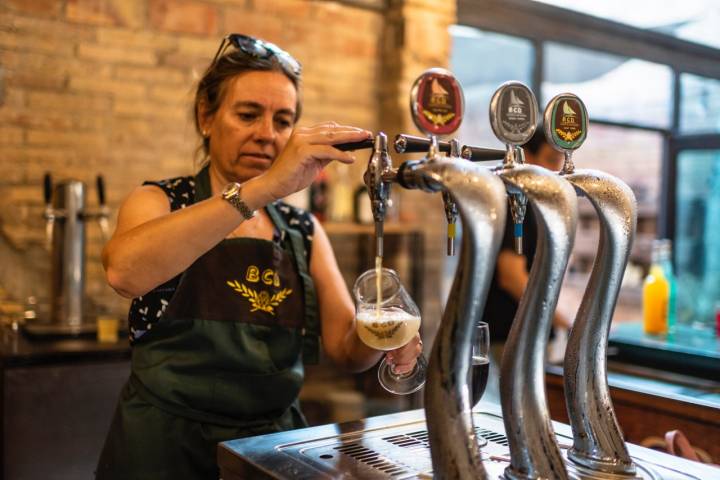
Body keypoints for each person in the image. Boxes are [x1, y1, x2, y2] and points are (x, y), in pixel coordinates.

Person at [96, 33, 422, 479]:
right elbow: (124, 271)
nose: (267, 135)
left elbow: (346, 350)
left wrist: (383, 333)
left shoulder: (302, 230)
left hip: (267, 449)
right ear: (206, 117)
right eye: (248, 114)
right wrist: (265, 187)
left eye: (283, 121)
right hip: (163, 448)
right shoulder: (161, 201)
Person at [480, 127, 572, 402]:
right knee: (519, 409)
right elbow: (511, 275)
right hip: (509, 331)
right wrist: (560, 318)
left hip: (527, 329)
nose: (557, 170)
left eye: (561, 161)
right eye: (551, 159)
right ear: (527, 156)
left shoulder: (534, 202)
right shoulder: (514, 200)